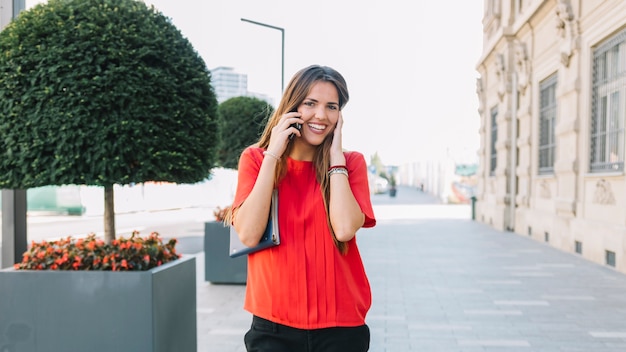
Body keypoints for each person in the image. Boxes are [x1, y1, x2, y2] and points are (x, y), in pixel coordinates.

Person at [228, 64, 377, 352]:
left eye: (331, 106)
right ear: (292, 106)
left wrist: (336, 158)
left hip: (341, 326)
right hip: (273, 326)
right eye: (310, 103)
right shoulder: (256, 160)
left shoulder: (351, 163)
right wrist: (273, 154)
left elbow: (345, 229)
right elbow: (247, 234)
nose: (321, 115)